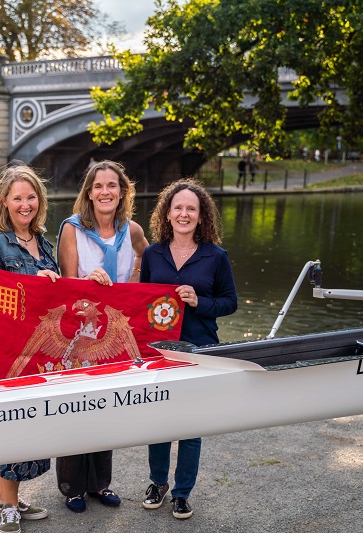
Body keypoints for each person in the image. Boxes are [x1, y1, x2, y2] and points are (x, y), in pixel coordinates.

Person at [139, 178, 238, 520]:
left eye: (191, 209)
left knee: (191, 425)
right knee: (159, 421)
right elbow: (142, 302)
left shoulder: (216, 256)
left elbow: (230, 303)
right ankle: (157, 482)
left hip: (201, 350)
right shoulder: (153, 254)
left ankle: (182, 493)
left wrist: (200, 302)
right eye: (178, 207)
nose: (184, 214)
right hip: (161, 351)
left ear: (201, 215)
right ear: (167, 214)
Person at [54, 160, 148, 513]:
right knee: (75, 406)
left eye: (112, 185)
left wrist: (135, 278)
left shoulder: (133, 230)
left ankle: (100, 484)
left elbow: (148, 259)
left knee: (106, 407)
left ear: (122, 191)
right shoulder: (72, 230)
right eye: (98, 186)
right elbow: (64, 287)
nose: (105, 192)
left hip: (114, 337)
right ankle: (73, 486)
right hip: (82, 333)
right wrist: (86, 281)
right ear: (89, 193)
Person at [0, 163, 58, 533]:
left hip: (39, 356)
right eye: (18, 198)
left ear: (39, 200)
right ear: (4, 201)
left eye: (31, 197)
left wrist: (85, 282)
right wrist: (29, 283)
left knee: (31, 427)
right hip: (7, 354)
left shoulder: (45, 243)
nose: (25, 204)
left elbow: (59, 297)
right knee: (10, 425)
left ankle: (9, 498)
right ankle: (4, 505)